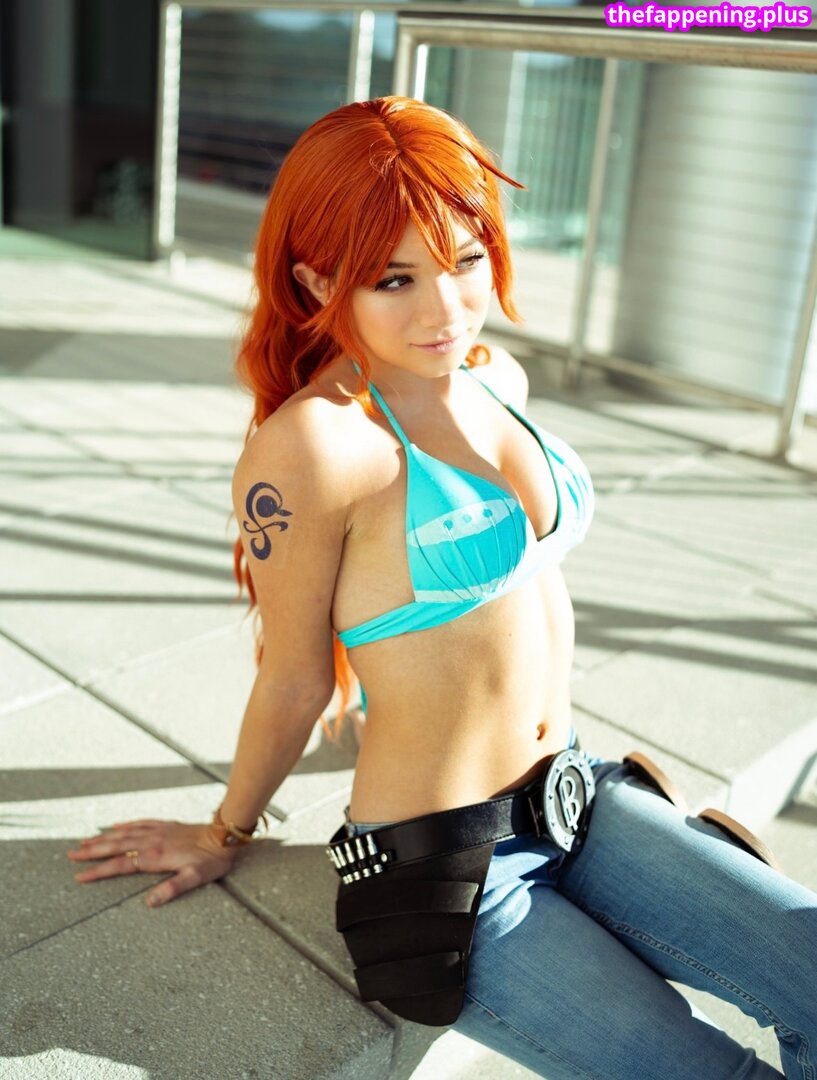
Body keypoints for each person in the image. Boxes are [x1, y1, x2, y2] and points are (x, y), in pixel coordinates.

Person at [67, 97, 816, 1079]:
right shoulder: (316, 447)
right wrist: (222, 832)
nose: (444, 310)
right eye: (393, 278)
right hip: (452, 868)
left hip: (578, 798)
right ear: (317, 279)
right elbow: (292, 677)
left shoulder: (496, 375)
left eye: (464, 261)